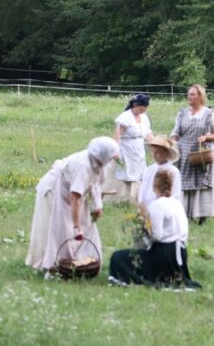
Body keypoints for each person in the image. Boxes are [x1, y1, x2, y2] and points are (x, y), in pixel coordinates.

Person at [26, 137, 120, 273]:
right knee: (60, 229)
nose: (115, 157)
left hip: (71, 192)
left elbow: (95, 186)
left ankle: (78, 264)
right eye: (112, 155)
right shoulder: (82, 166)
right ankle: (54, 266)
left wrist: (97, 207)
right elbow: (75, 197)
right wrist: (77, 227)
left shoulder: (102, 164)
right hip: (54, 190)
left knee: (84, 225)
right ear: (104, 155)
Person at [108, 170, 199, 288]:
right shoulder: (177, 204)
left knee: (118, 257)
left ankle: (127, 279)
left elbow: (157, 235)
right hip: (180, 253)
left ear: (154, 186)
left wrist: (144, 224)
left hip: (164, 254)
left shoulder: (157, 205)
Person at [169, 84, 214, 223]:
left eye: (192, 94)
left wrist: (206, 137)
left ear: (200, 97)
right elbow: (176, 132)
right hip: (184, 152)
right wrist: (170, 142)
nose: (189, 97)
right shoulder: (182, 113)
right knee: (183, 182)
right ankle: (184, 215)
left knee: (201, 182)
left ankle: (202, 216)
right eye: (188, 94)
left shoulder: (209, 114)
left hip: (201, 152)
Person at [107, 93, 152, 203]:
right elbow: (118, 133)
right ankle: (123, 198)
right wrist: (115, 150)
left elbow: (148, 133)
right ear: (136, 105)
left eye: (146, 107)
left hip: (139, 149)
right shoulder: (126, 117)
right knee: (127, 173)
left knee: (139, 173)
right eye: (143, 107)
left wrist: (156, 144)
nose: (145, 109)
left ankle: (136, 198)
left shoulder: (144, 117)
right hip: (127, 148)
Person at [138, 133, 183, 208]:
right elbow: (143, 189)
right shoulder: (149, 170)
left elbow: (176, 192)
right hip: (149, 205)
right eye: (152, 152)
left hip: (165, 207)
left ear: (166, 153)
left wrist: (172, 206)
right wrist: (141, 203)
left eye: (158, 152)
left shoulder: (173, 171)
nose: (154, 155)